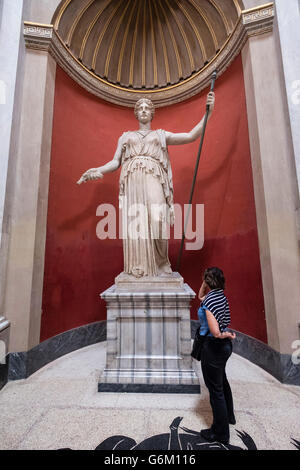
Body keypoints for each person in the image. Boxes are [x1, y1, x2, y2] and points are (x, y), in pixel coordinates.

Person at [77, 93, 215, 278]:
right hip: (132, 179)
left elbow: (191, 136)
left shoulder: (160, 135)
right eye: (140, 108)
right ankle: (139, 266)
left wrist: (208, 113)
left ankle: (161, 263)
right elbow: (115, 161)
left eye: (147, 108)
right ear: (136, 113)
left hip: (153, 176)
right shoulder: (126, 137)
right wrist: (98, 169)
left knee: (158, 218)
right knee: (137, 223)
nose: (143, 110)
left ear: (152, 113)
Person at [197, 267, 236, 445]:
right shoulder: (220, 295)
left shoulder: (209, 302)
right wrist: (204, 284)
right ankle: (229, 416)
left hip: (214, 347)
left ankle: (220, 433)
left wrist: (225, 334)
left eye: (205, 280)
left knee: (215, 391)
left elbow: (214, 331)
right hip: (225, 348)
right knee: (223, 381)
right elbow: (200, 297)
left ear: (208, 281)